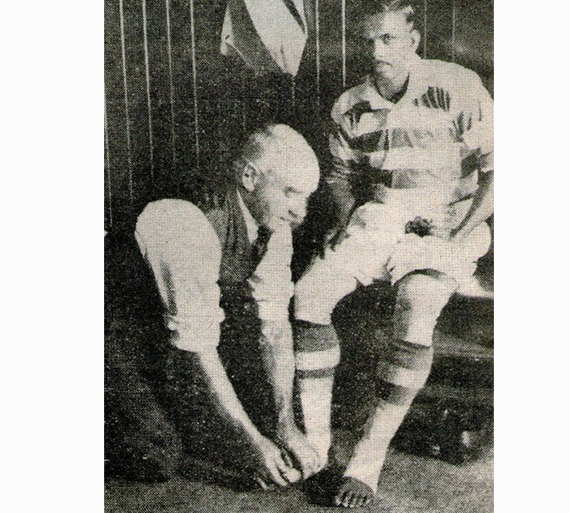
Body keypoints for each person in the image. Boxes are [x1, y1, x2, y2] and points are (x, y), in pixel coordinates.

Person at [292, 1, 494, 507]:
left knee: (417, 303)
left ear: (413, 39)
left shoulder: (458, 86)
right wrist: (343, 221)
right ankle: (317, 449)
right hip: (379, 218)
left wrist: (457, 234)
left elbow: (498, 172)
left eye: (388, 39)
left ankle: (367, 458)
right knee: (308, 296)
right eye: (367, 41)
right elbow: (341, 179)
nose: (376, 51)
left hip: (452, 219)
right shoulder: (349, 106)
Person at [131, 124, 323, 488]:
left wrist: (285, 425)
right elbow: (198, 343)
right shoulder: (184, 218)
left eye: (307, 198)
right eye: (291, 193)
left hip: (171, 326)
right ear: (250, 176)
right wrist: (253, 444)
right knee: (157, 453)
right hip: (111, 331)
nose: (301, 212)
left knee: (257, 416)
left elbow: (274, 325)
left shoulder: (273, 221)